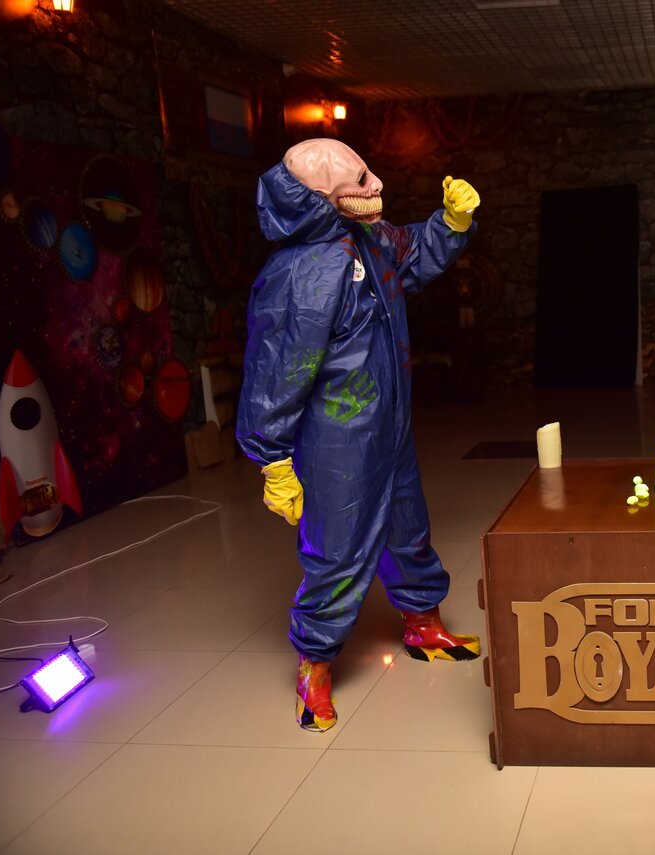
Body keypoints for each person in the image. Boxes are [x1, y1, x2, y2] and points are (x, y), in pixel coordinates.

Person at [237, 138, 483, 732]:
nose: (376, 187)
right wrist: (272, 458)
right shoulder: (298, 275)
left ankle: (423, 623)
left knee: (407, 526)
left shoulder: (369, 241)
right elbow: (275, 371)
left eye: (369, 174)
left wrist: (450, 223)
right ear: (322, 199)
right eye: (361, 181)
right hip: (336, 442)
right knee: (337, 551)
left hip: (389, 424)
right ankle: (315, 665)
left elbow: (411, 254)